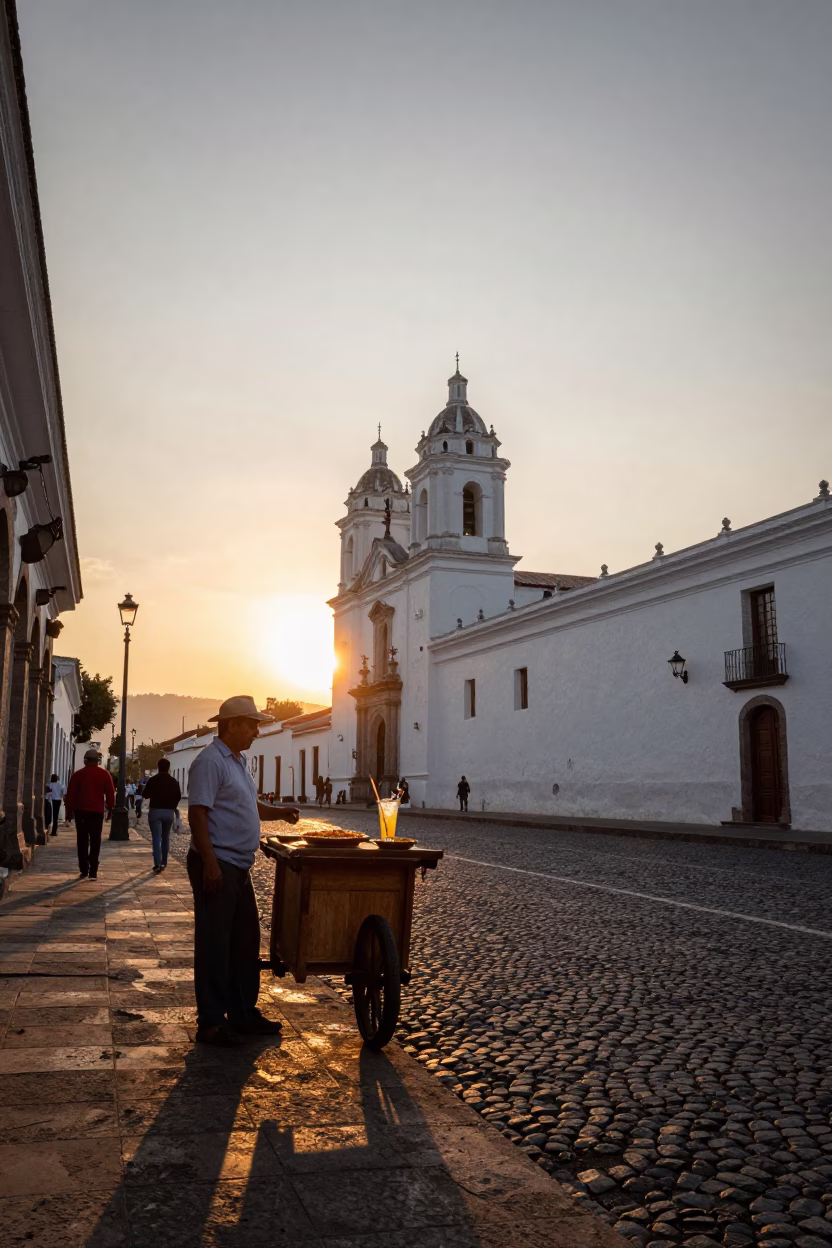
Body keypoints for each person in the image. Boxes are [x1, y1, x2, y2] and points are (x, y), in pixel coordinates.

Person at [187, 695, 299, 1047]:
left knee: (245, 941)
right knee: (215, 944)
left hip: (237, 865)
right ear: (232, 725)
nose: (256, 730)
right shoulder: (209, 762)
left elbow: (249, 806)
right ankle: (210, 1022)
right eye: (251, 724)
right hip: (218, 863)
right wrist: (209, 863)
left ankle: (242, 1012)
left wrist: (279, 812)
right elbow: (198, 814)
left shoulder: (238, 761)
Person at [65, 748, 116, 879]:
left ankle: (84, 868)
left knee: (82, 840)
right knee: (95, 840)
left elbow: (71, 795)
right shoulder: (104, 774)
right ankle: (93, 870)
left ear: (85, 760)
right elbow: (110, 793)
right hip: (97, 813)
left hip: (81, 812)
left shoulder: (77, 775)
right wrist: (110, 809)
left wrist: (68, 812)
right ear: (98, 761)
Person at [141, 760, 181, 873]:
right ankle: (164, 862)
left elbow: (145, 795)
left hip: (155, 811)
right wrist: (172, 806)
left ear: (158, 767)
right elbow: (178, 796)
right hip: (169, 812)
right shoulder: (174, 782)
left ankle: (157, 863)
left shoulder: (153, 780)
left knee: (156, 838)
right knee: (166, 837)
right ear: (168, 768)